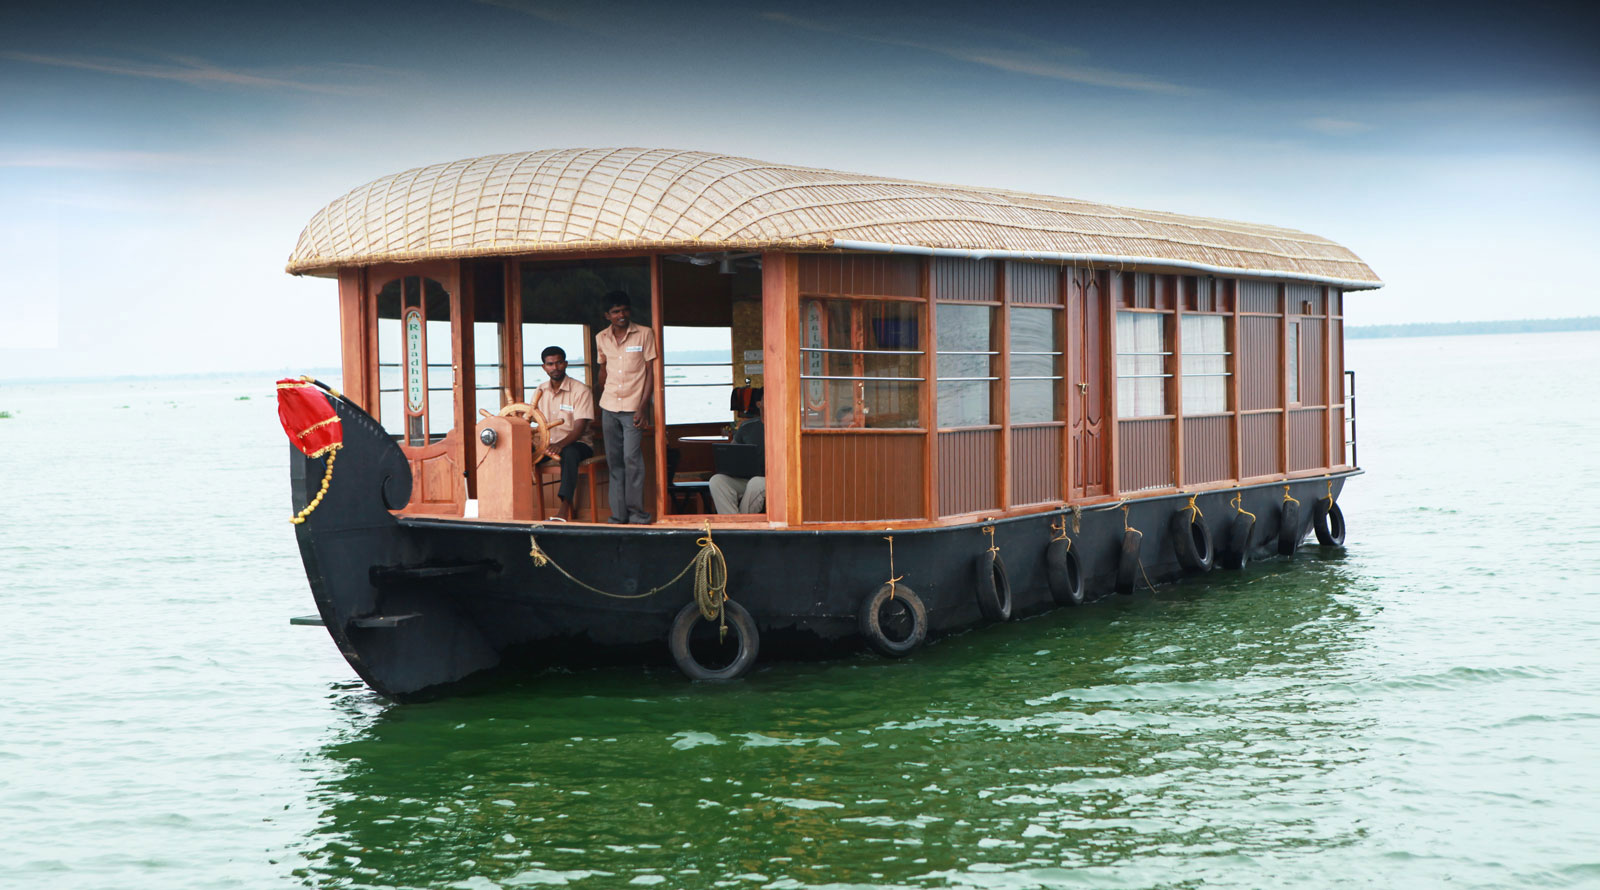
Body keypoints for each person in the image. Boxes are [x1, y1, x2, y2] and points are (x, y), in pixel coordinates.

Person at [593, 291, 657, 524]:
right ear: (607, 315)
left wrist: (643, 407)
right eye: (616, 311)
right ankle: (618, 515)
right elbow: (602, 370)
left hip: (633, 408)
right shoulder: (601, 337)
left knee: (632, 460)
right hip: (609, 406)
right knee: (615, 461)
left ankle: (637, 514)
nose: (622, 315)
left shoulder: (645, 334)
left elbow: (650, 373)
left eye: (625, 310)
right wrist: (601, 403)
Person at [530, 345, 596, 521]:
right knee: (517, 451)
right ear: (544, 367)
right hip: (546, 444)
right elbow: (530, 418)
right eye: (550, 364)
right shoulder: (540, 390)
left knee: (570, 453)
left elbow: (580, 427)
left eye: (559, 363)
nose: (555, 367)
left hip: (578, 443)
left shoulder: (580, 390)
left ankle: (564, 509)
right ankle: (517, 507)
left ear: (565, 364)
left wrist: (560, 444)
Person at [709, 404, 765, 515]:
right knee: (717, 481)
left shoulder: (787, 426)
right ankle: (731, 526)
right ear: (759, 403)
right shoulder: (747, 427)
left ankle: (740, 529)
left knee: (755, 483)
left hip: (775, 481)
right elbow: (732, 452)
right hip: (746, 479)